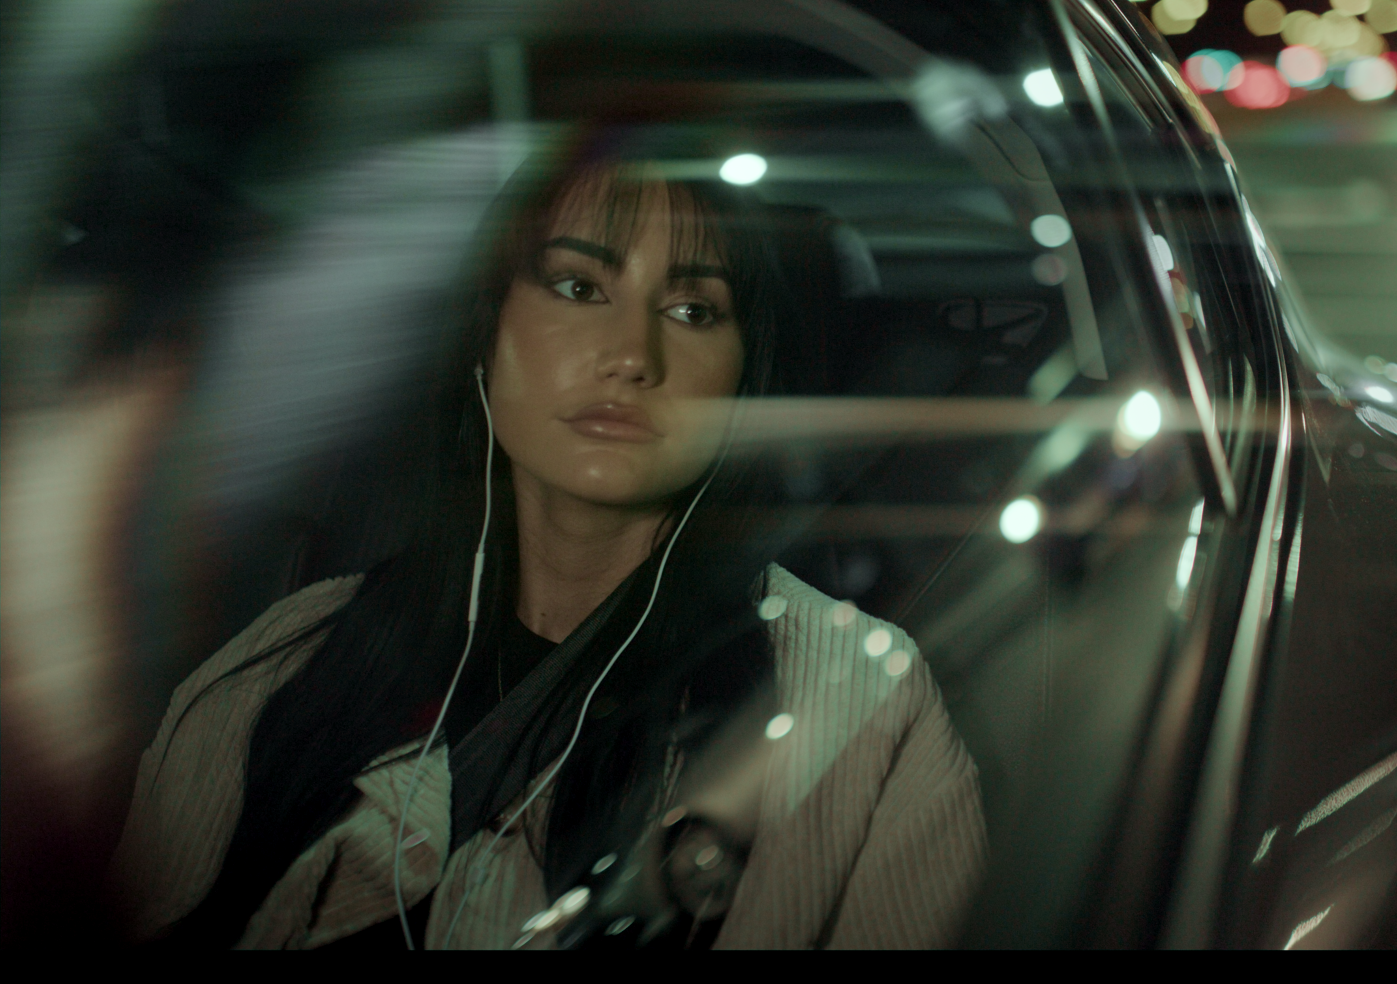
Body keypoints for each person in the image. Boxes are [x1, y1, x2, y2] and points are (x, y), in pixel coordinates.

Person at [111, 141, 986, 949]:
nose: (631, 356)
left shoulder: (856, 702)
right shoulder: (284, 663)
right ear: (486, 337)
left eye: (691, 308)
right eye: (578, 287)